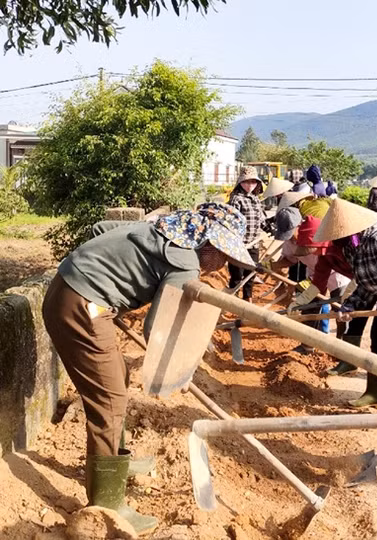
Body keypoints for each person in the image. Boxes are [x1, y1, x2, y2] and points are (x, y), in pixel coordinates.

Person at [41, 203, 254, 535]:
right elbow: (157, 329)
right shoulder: (185, 264)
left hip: (70, 290)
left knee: (117, 381)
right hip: (83, 308)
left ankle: (115, 464)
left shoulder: (158, 229)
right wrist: (179, 368)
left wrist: (112, 286)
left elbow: (99, 231)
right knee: (109, 401)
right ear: (208, 244)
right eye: (223, 256)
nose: (222, 264)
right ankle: (107, 506)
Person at [310, 198, 377, 411]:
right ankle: (375, 393)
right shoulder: (352, 247)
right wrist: (350, 306)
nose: (333, 242)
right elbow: (365, 283)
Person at [272, 206, 351, 353]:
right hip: (316, 273)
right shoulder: (290, 242)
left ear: (299, 225)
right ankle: (308, 345)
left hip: (338, 274)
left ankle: (343, 351)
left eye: (292, 233)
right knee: (309, 308)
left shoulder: (317, 233)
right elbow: (291, 260)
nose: (292, 238)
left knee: (341, 311)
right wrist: (273, 265)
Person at [228, 165, 270, 302]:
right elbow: (232, 222)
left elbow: (261, 219)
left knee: (251, 274)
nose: (250, 185)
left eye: (253, 182)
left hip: (254, 244)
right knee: (237, 275)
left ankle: (248, 300)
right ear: (241, 182)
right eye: (247, 182)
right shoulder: (236, 199)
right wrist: (236, 241)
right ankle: (232, 302)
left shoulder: (256, 199)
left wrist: (270, 229)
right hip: (239, 245)